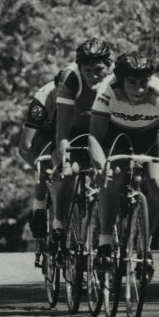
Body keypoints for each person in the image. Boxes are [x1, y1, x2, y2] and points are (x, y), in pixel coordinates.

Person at [88, 53, 159, 276]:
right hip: (117, 133)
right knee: (112, 175)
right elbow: (94, 135)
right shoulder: (108, 90)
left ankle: (145, 245)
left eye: (143, 82)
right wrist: (100, 166)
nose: (139, 88)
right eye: (131, 83)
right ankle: (105, 242)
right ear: (121, 82)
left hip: (152, 134)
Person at [52, 38, 112, 248]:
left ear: (109, 66)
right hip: (76, 131)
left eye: (98, 70)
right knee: (70, 173)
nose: (93, 76)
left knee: (116, 175)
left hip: (105, 132)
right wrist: (65, 161)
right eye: (87, 70)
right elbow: (62, 129)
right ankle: (59, 225)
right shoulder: (70, 79)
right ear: (79, 68)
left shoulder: (117, 79)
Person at [17, 78, 58, 243]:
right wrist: (42, 168)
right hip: (46, 133)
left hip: (73, 131)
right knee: (44, 161)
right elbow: (25, 147)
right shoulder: (42, 100)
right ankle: (39, 209)